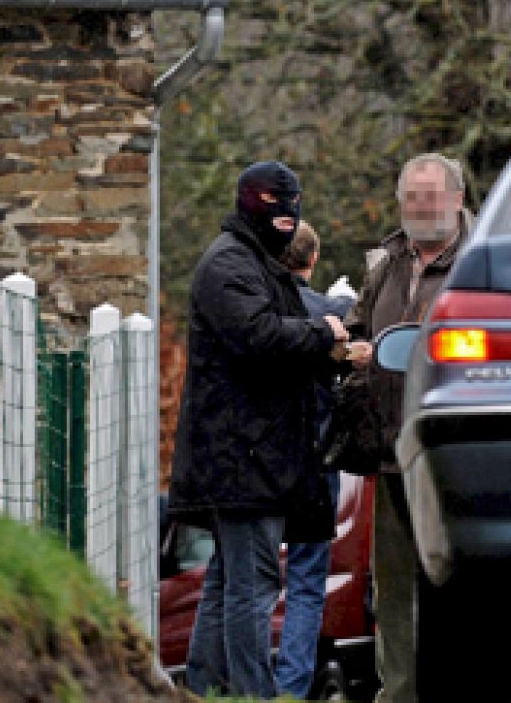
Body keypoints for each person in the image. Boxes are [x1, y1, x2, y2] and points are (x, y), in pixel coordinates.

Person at [168, 161, 353, 700]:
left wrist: (324, 343)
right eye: (275, 203)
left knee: (229, 581)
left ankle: (208, 688)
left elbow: (274, 336)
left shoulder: (251, 262)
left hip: (252, 454)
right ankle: (252, 694)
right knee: (253, 585)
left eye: (291, 204)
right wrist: (324, 333)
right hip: (243, 456)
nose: (286, 214)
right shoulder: (231, 265)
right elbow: (260, 337)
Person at [344, 153, 471, 703]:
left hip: (455, 452)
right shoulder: (387, 261)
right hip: (390, 449)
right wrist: (348, 345)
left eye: (432, 196)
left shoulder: (480, 259)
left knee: (456, 578)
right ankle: (397, 695)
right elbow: (359, 325)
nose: (422, 208)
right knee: (392, 587)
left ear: (458, 199)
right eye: (412, 198)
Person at [274, 221, 356, 698]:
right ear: (312, 260)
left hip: (266, 460)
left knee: (254, 579)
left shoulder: (259, 307)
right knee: (307, 581)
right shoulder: (330, 311)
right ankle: (292, 688)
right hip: (315, 461)